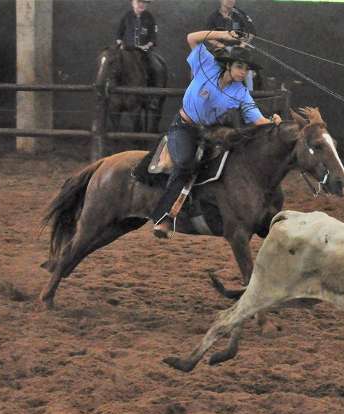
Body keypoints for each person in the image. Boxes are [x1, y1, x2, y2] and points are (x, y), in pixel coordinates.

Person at [151, 30, 282, 239]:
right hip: (183, 127)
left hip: (209, 131)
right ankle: (164, 217)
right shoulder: (207, 65)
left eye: (246, 68)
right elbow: (191, 37)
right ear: (228, 65)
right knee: (185, 163)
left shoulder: (241, 92)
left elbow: (257, 120)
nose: (243, 72)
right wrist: (225, 35)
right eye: (239, 66)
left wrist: (273, 122)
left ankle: (210, 210)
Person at [116, 0, 165, 103]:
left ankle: (156, 97)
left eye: (144, 2)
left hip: (144, 52)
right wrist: (120, 44)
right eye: (139, 2)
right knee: (112, 65)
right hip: (127, 51)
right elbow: (119, 34)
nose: (142, 4)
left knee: (157, 68)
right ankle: (113, 96)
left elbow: (153, 37)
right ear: (133, 3)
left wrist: (147, 45)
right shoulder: (127, 16)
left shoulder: (149, 17)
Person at [206, 0, 258, 90]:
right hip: (220, 50)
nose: (230, 1)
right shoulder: (213, 16)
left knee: (247, 71)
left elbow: (252, 32)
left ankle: (249, 97)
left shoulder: (241, 14)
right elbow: (207, 36)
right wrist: (221, 46)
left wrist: (241, 46)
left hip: (239, 50)